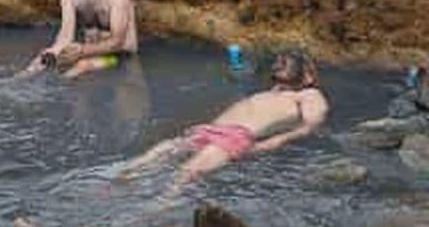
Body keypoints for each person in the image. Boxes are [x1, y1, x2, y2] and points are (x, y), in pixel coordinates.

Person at [119, 49, 329, 187]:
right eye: (279, 62)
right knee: (163, 150)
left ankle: (150, 214)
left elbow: (308, 126)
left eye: (286, 63)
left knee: (186, 173)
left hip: (235, 137)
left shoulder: (310, 95)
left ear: (307, 75)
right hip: (213, 130)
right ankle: (116, 183)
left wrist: (270, 144)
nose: (279, 64)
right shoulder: (276, 92)